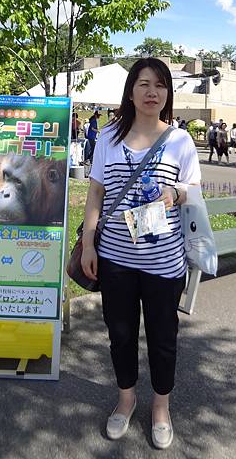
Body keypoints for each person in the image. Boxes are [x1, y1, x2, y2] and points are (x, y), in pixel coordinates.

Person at [81, 57, 201, 449]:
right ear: (131, 90)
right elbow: (96, 193)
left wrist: (177, 192)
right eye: (144, 84)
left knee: (164, 339)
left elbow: (194, 190)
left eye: (161, 85)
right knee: (120, 335)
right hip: (115, 260)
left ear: (167, 94)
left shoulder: (181, 140)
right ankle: (126, 398)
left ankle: (161, 407)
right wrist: (88, 244)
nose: (152, 92)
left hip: (164, 263)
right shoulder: (109, 137)